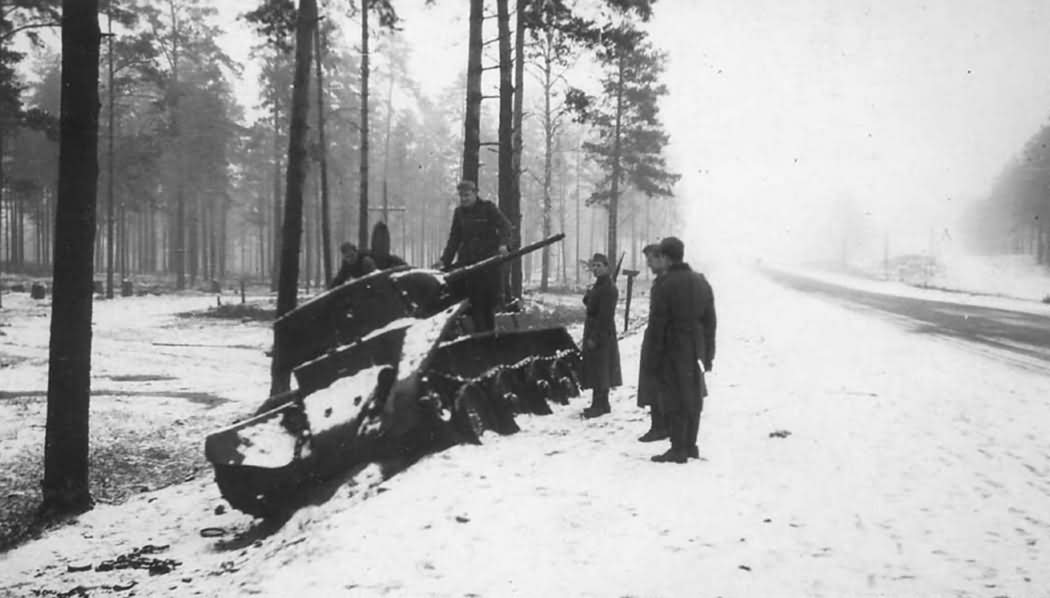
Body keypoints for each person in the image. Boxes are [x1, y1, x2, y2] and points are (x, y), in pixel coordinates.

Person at [646, 236, 717, 463]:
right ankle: (690, 446)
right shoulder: (701, 281)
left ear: (665, 258)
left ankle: (677, 448)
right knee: (693, 395)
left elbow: (658, 325)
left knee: (673, 397)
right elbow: (710, 322)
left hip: (671, 347)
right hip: (696, 347)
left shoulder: (664, 285)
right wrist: (708, 354)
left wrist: (652, 358)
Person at [435, 180, 513, 332]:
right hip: (469, 267)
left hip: (489, 266)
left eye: (467, 195)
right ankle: (477, 337)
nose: (464, 199)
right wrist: (444, 260)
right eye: (461, 196)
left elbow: (506, 227)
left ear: (475, 194)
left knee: (489, 304)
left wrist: (504, 245)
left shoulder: (488, 208)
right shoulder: (459, 213)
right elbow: (454, 239)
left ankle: (489, 338)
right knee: (471, 303)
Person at [579, 253, 622, 418]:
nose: (595, 269)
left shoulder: (609, 288)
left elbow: (605, 316)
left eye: (599, 266)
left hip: (602, 332)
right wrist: (589, 293)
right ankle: (600, 404)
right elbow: (588, 304)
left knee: (601, 368)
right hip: (594, 329)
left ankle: (600, 405)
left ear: (606, 267)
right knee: (597, 368)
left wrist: (595, 337)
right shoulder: (598, 286)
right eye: (593, 266)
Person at [637, 243, 669, 442]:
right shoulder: (661, 282)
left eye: (651, 260)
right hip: (656, 340)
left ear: (661, 258)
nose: (648, 264)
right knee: (655, 386)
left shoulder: (666, 283)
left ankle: (660, 427)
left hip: (661, 343)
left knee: (658, 386)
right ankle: (659, 425)